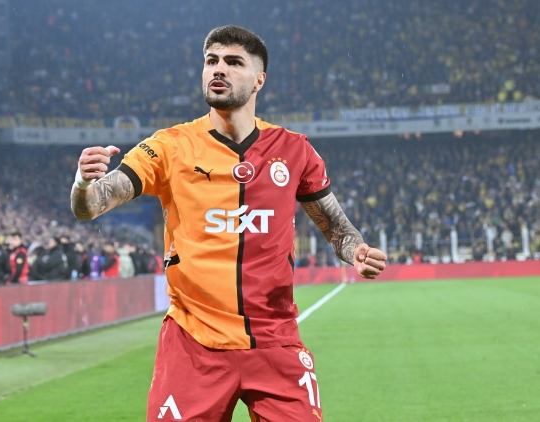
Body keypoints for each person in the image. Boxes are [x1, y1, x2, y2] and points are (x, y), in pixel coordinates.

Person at [70, 25, 388, 421]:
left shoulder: (294, 149)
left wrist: (356, 251)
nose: (218, 69)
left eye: (233, 62)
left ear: (259, 80)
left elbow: (337, 228)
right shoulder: (169, 146)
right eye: (211, 61)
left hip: (275, 343)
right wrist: (83, 182)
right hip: (193, 345)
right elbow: (90, 207)